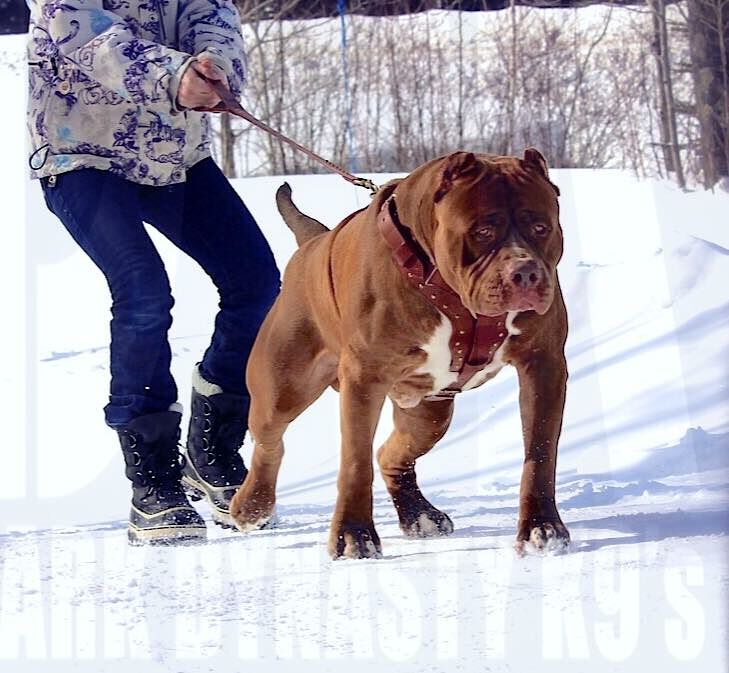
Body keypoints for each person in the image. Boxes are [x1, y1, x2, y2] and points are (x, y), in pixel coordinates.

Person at [27, 0, 281, 545]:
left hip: (173, 153)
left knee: (256, 282)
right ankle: (155, 482)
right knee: (143, 290)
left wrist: (214, 66)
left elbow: (213, 17)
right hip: (82, 152)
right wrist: (173, 76)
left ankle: (211, 453)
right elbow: (88, 36)